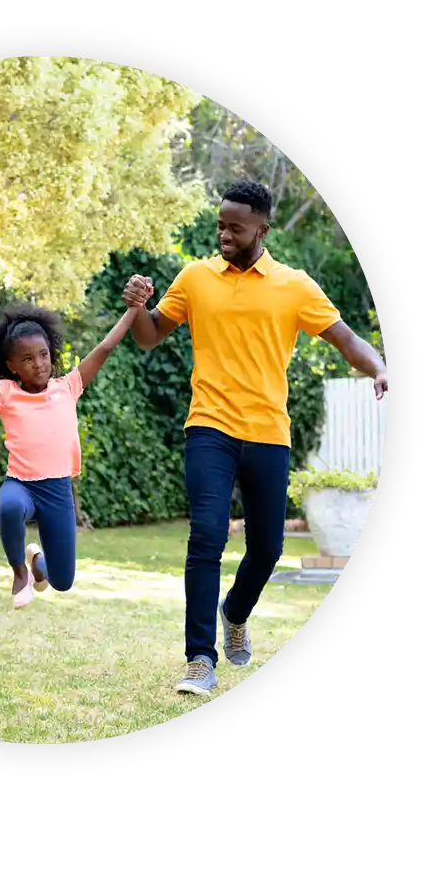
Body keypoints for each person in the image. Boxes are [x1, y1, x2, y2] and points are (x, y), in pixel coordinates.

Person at [122, 180, 388, 696]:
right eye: (220, 224)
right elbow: (151, 336)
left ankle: (235, 612)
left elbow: (345, 337)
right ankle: (199, 658)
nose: (223, 233)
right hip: (209, 427)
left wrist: (377, 365)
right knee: (206, 537)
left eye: (234, 227)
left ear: (262, 229)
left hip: (268, 431)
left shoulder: (294, 285)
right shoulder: (196, 278)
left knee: (266, 547)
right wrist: (136, 307)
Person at [0, 301, 145, 608]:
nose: (38, 363)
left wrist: (134, 309)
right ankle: (20, 573)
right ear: (12, 365)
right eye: (27, 359)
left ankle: (38, 563)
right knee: (9, 506)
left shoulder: (68, 386)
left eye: (43, 355)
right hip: (21, 484)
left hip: (57, 491)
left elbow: (105, 347)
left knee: (62, 581)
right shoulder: (5, 391)